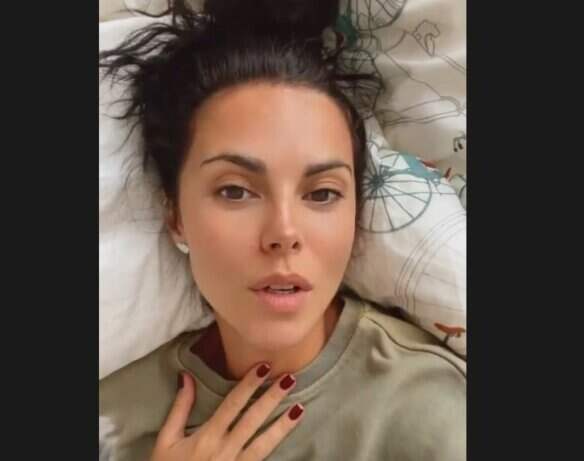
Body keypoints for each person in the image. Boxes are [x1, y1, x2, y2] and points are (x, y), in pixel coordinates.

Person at [99, 1, 466, 460]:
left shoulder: (432, 415)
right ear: (176, 217)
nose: (284, 232)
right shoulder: (114, 410)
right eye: (235, 191)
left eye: (322, 193)